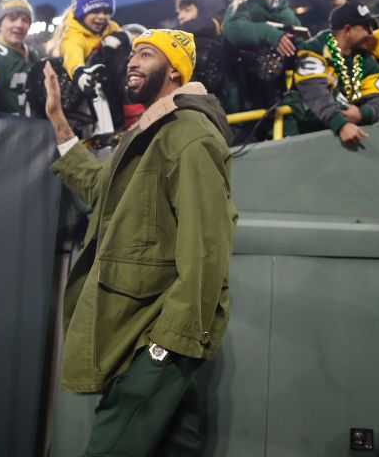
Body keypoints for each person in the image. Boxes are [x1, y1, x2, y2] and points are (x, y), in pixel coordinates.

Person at [43, 29, 237, 455]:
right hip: (139, 324)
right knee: (174, 446)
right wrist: (57, 118)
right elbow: (98, 184)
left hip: (158, 330)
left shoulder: (190, 133)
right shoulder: (145, 133)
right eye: (132, 54)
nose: (132, 61)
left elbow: (208, 244)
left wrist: (169, 340)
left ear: (173, 71)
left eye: (145, 55)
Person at [280, 1, 379, 146]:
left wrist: (362, 114)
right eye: (366, 28)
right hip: (304, 137)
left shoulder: (364, 58)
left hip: (346, 132)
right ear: (347, 30)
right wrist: (341, 124)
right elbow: (314, 93)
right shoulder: (313, 50)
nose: (371, 33)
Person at [221, 0, 303, 112]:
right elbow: (234, 29)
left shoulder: (285, 10)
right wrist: (270, 33)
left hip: (281, 93)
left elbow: (302, 40)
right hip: (247, 99)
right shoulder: (242, 5)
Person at [50, 0, 123, 98]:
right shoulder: (73, 34)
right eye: (95, 11)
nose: (101, 16)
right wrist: (81, 75)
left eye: (106, 11)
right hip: (89, 99)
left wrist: (126, 36)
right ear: (81, 13)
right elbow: (73, 56)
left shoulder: (110, 26)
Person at [176, 0, 228, 96]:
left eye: (187, 10)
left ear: (204, 10)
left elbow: (204, 24)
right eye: (179, 12)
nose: (180, 17)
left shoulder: (212, 28)